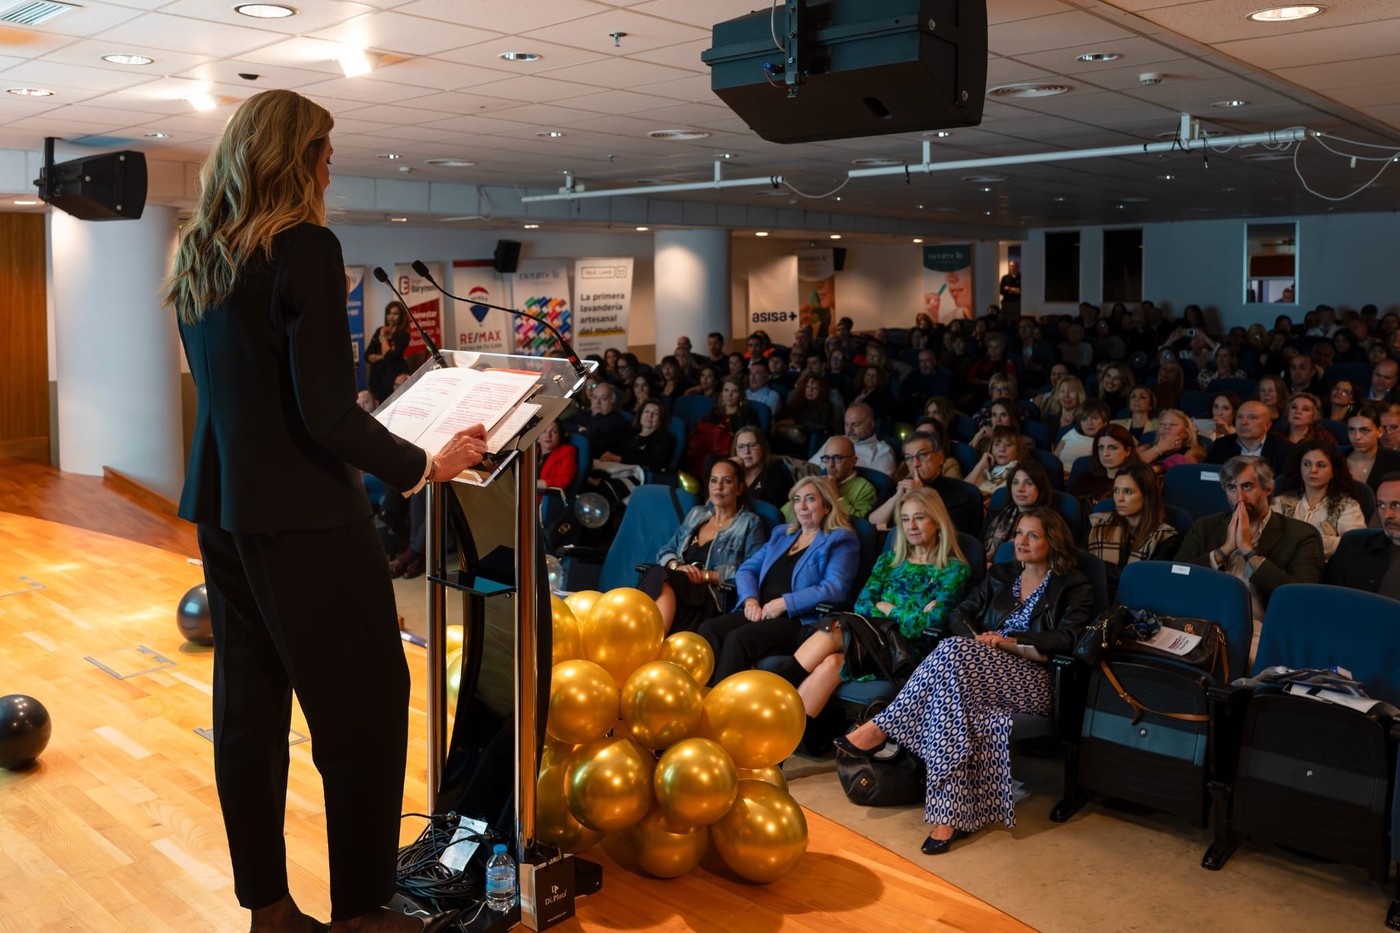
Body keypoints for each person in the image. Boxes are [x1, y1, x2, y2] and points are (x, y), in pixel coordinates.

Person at [164, 90, 482, 933]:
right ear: (292, 157)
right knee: (369, 705)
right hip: (307, 516)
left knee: (250, 709)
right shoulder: (303, 246)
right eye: (323, 151)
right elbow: (328, 417)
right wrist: (427, 464)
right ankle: (363, 910)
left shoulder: (199, 250)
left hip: (225, 511)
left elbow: (246, 397)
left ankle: (268, 906)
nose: (331, 165)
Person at [834, 508, 1092, 854]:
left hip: (1036, 680)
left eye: (1033, 535)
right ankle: (949, 818)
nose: (1022, 541)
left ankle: (883, 727)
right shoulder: (1001, 576)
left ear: (1054, 541)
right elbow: (960, 613)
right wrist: (979, 642)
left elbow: (1069, 638)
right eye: (1018, 533)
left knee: (954, 651)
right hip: (976, 671)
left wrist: (1006, 642)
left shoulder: (1073, 584)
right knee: (953, 703)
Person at [776, 488, 971, 717]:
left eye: (919, 517)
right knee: (832, 663)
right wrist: (909, 612)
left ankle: (774, 691)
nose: (912, 526)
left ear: (937, 522)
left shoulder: (954, 570)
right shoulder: (889, 561)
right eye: (905, 519)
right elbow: (863, 605)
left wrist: (887, 607)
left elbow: (927, 624)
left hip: (903, 651)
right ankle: (792, 731)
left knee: (836, 629)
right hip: (867, 638)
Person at [698, 476, 860, 684]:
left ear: (826, 507)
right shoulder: (783, 534)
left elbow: (834, 588)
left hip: (798, 620)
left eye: (810, 499)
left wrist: (785, 602)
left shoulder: (840, 539)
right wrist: (750, 600)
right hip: (762, 611)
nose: (802, 506)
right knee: (709, 629)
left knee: (738, 639)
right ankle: (703, 693)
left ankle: (721, 706)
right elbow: (747, 569)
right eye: (797, 499)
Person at [1175, 456, 1324, 656]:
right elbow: (1177, 577)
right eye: (1231, 488)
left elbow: (1300, 600)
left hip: (1259, 630)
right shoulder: (1205, 527)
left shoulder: (1301, 535)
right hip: (1199, 622)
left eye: (1247, 487)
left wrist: (1248, 550)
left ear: (1268, 488)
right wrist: (1225, 550)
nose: (1240, 498)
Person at [640, 458, 768, 634]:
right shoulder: (697, 514)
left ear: (739, 488)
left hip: (711, 596)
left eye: (727, 481)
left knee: (659, 576)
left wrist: (705, 576)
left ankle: (650, 640)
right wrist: (678, 567)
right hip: (679, 586)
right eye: (714, 480)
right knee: (656, 573)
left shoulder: (750, 523)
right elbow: (665, 550)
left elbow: (752, 572)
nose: (718, 486)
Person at [869, 430, 984, 538]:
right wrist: (897, 497)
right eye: (909, 458)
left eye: (922, 455)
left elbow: (946, 536)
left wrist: (921, 494)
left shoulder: (961, 495)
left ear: (939, 457)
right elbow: (871, 523)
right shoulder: (897, 488)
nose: (915, 464)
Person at [1086, 462, 1182, 589]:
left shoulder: (1166, 537)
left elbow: (1147, 581)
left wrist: (1100, 568)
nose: (1119, 498)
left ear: (1146, 495)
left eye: (1128, 492)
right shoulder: (1097, 523)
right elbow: (1083, 566)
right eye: (1116, 490)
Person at [1271, 440, 1366, 561]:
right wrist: (1328, 542)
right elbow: (1271, 539)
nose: (1313, 470)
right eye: (1306, 464)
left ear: (1333, 472)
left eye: (1321, 465)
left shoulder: (1348, 506)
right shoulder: (1280, 502)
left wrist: (1296, 543)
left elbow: (1352, 545)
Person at [1324, 473, 1400, 599]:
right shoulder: (1353, 546)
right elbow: (1327, 597)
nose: (1387, 515)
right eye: (1381, 505)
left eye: (1396, 505)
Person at [980, 460, 1052, 563]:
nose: (1020, 489)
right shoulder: (1002, 513)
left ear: (1040, 489)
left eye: (1028, 483)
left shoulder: (1048, 522)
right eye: (1015, 482)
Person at [788, 435, 876, 520]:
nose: (831, 465)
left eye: (837, 458)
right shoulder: (818, 481)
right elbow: (785, 513)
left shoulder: (865, 489)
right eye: (827, 458)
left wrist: (835, 494)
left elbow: (860, 526)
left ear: (853, 461)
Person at [1207, 400, 1295, 474]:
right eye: (1240, 417)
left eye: (1252, 418)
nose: (1244, 422)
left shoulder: (1284, 450)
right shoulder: (1221, 445)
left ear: (1267, 425)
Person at [815, 401, 896, 476]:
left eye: (855, 424)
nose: (849, 430)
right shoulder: (833, 441)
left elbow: (882, 487)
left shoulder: (882, 451)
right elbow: (811, 467)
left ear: (871, 425)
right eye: (846, 424)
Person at [1070, 423, 1141, 506]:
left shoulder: (1137, 481)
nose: (1105, 453)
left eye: (1112, 448)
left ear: (1127, 451)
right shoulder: (1085, 479)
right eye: (1101, 448)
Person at [603, 398, 675, 473]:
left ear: (660, 420)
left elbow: (651, 460)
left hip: (640, 476)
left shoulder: (664, 438)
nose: (650, 415)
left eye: (655, 413)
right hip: (616, 469)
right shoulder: (630, 433)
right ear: (640, 415)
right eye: (647, 411)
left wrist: (617, 458)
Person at [1345, 405, 1400, 491]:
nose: (1357, 437)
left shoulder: (1395, 460)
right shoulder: (1336, 458)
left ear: (1379, 431)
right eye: (1351, 430)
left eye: (1364, 430)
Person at [966, 426, 1025, 506]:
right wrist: (979, 466)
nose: (1001, 449)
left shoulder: (1018, 474)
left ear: (1017, 451)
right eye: (997, 444)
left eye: (1008, 444)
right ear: (991, 448)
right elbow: (961, 491)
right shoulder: (985, 468)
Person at [365, 301, 410, 406]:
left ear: (401, 316)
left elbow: (389, 356)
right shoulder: (379, 330)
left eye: (395, 314)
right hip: (377, 376)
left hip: (393, 376)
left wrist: (384, 337)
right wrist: (383, 356)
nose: (391, 317)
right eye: (389, 313)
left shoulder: (403, 335)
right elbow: (367, 355)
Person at [1054, 399, 1110, 477]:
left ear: (1105, 422)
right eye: (1085, 419)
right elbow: (1053, 460)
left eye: (1095, 418)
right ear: (1080, 423)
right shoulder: (1070, 434)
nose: (1089, 423)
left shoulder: (1107, 441)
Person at [1136, 408, 1206, 469]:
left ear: (1185, 433)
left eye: (1173, 424)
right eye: (1162, 424)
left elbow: (1185, 466)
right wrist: (1159, 449)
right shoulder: (1147, 447)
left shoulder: (1194, 450)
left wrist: (1158, 468)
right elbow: (1131, 464)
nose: (1167, 427)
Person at [537, 421, 577, 492]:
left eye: (554, 432)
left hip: (545, 499)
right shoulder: (532, 452)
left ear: (560, 436)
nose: (548, 435)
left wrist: (533, 484)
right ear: (538, 437)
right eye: (544, 431)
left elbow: (563, 481)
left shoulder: (567, 451)